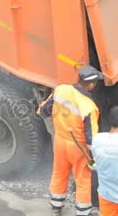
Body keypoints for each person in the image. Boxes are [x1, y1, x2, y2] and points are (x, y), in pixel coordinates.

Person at [37, 65, 104, 216]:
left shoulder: (60, 90)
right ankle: (82, 211)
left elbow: (43, 111)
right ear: (92, 84)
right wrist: (95, 157)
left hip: (60, 141)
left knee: (59, 172)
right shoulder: (89, 106)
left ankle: (56, 205)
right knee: (83, 179)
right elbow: (91, 138)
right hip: (78, 148)